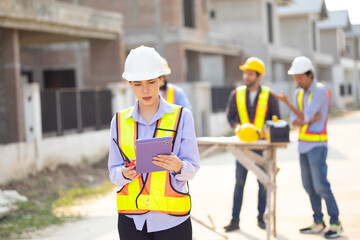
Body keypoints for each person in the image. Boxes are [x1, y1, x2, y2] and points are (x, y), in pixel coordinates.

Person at [108, 45, 200, 240]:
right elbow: (113, 172)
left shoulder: (182, 117)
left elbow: (192, 168)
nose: (145, 90)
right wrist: (123, 174)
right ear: (128, 83)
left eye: (151, 82)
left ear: (161, 79)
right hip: (132, 220)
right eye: (137, 84)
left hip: (172, 220)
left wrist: (178, 166)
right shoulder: (118, 121)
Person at [272, 56, 343, 239]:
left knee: (321, 185)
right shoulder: (299, 93)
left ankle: (335, 223)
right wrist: (306, 118)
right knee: (309, 186)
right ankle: (318, 222)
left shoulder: (320, 91)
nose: (297, 80)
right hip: (303, 146)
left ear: (310, 74)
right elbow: (297, 121)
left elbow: (301, 118)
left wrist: (292, 108)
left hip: (317, 146)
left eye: (300, 77)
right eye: (295, 77)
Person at [224, 57, 280, 232]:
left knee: (262, 184)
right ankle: (234, 220)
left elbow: (276, 118)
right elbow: (230, 116)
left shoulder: (269, 96)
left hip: (262, 147)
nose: (246, 77)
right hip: (242, 147)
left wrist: (265, 130)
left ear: (258, 76)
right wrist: (237, 127)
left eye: (250, 74)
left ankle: (261, 218)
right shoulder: (236, 93)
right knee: (239, 183)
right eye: (245, 73)